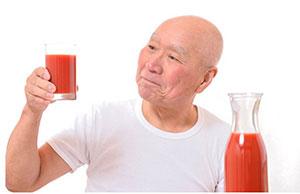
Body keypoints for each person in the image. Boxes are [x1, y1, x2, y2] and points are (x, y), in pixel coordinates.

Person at [6, 15, 231, 192]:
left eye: (173, 57)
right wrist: (32, 111)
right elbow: (21, 182)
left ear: (205, 79)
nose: (152, 64)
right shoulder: (103, 120)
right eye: (152, 47)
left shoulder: (226, 143)